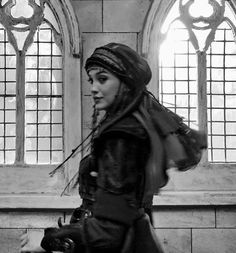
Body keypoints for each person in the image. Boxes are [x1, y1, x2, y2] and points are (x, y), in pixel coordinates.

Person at [21, 43, 206, 253]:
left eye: (103, 79)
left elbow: (108, 233)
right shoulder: (135, 124)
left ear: (125, 84)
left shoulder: (122, 136)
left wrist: (52, 240)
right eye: (92, 80)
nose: (93, 87)